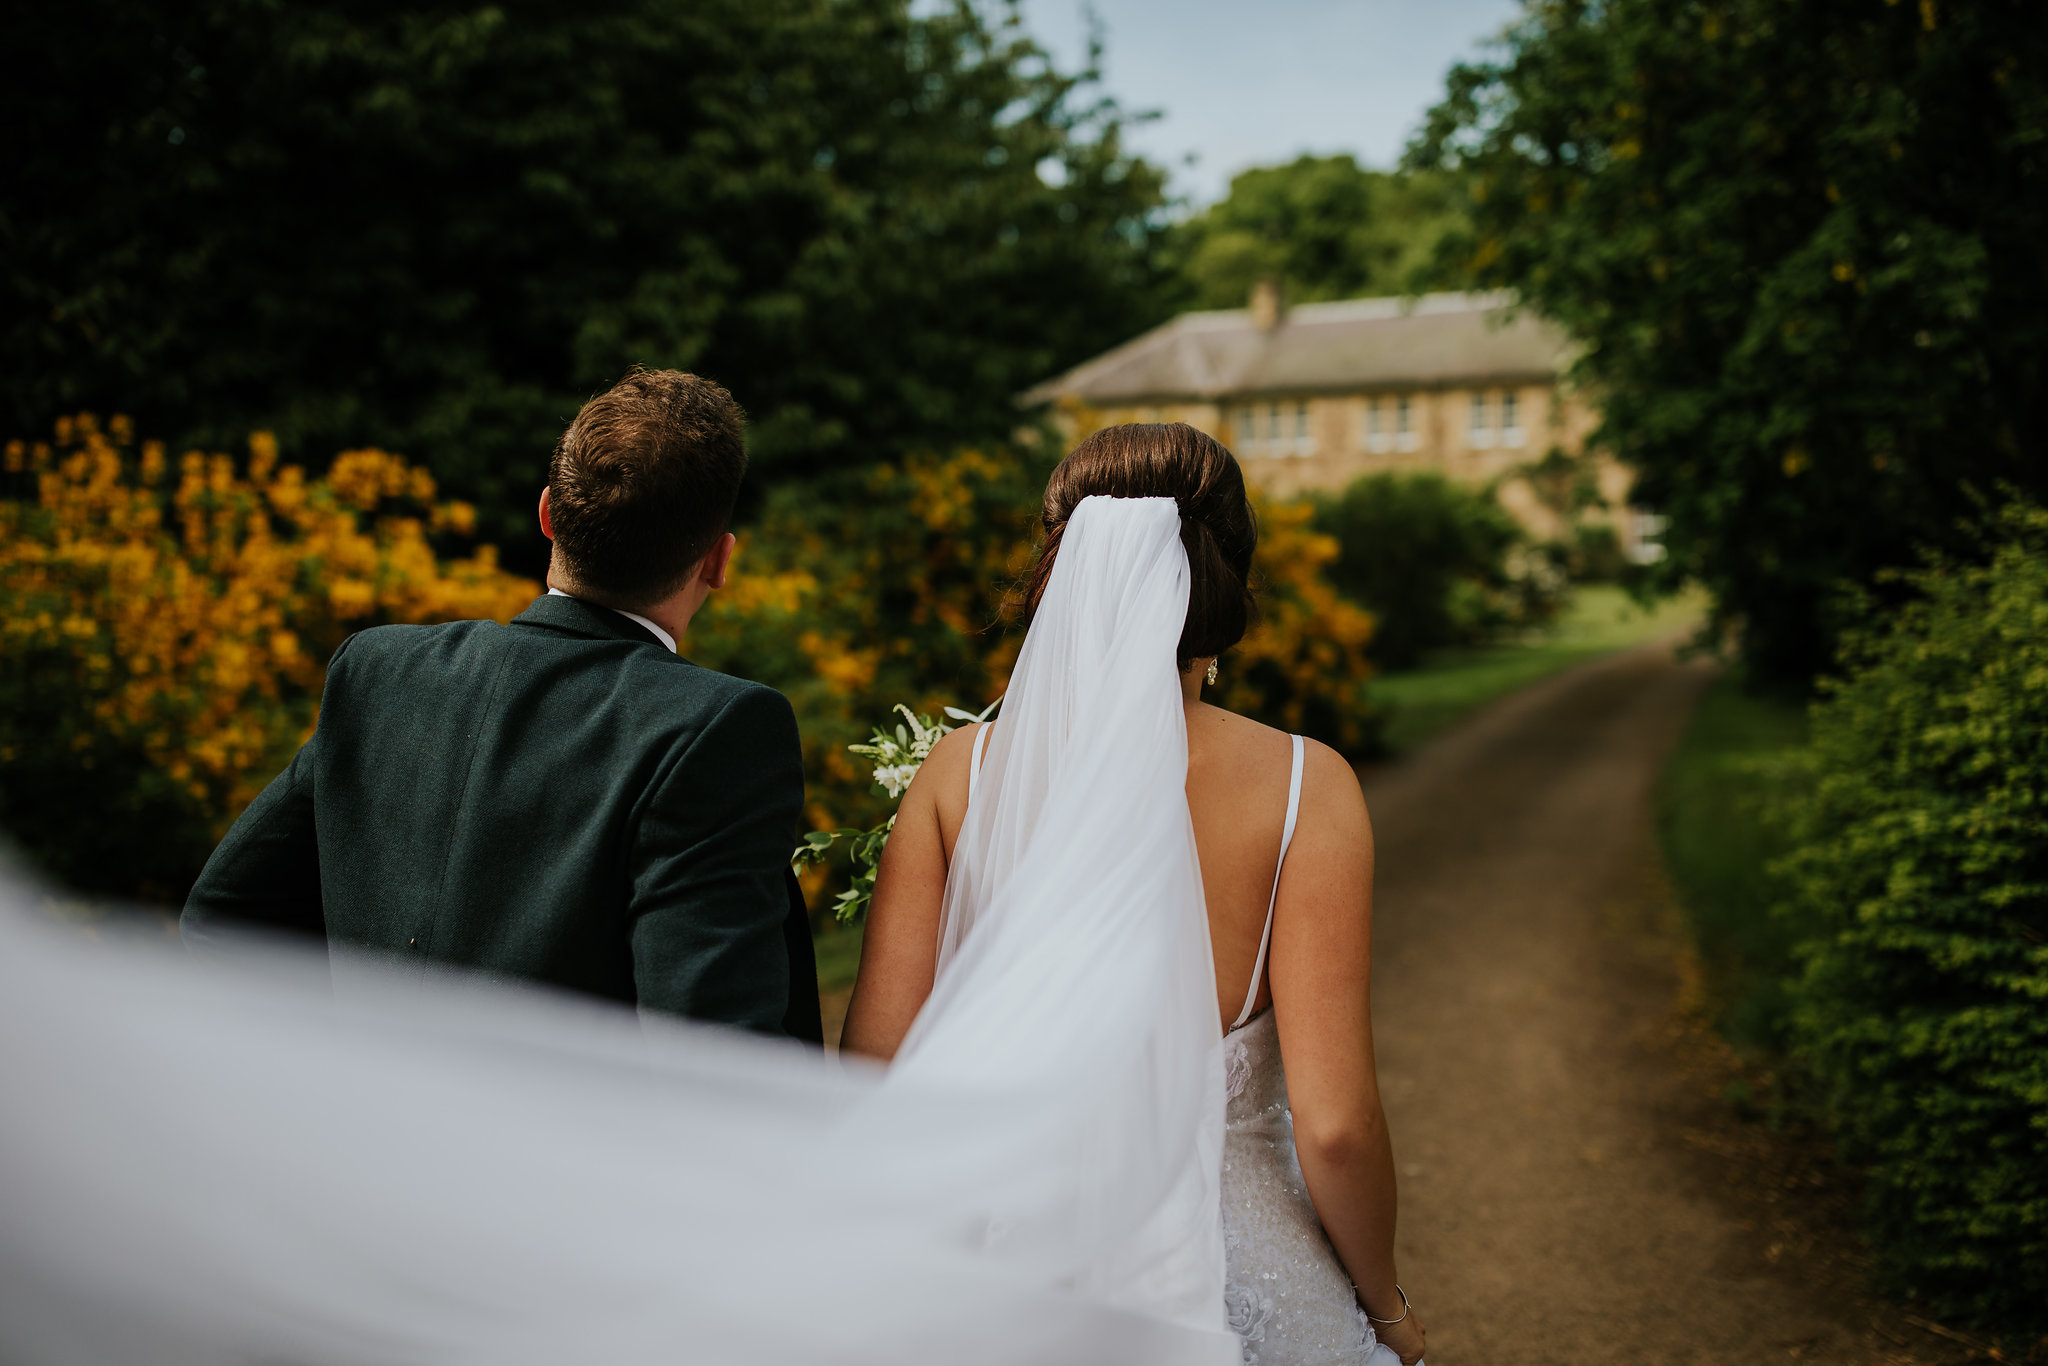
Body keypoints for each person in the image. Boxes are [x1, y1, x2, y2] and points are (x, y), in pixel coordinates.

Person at [844, 423, 1426, 1365]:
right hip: (1243, 1287)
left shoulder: (959, 775)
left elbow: (878, 1075)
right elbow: (1336, 1129)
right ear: (1226, 576)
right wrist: (1387, 1308)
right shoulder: (1305, 786)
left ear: (1061, 575)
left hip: (1002, 1285)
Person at [180, 368, 822, 1041]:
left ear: (547, 514)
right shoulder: (714, 730)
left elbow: (222, 921)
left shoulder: (377, 672)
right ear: (719, 562)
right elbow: (712, 1055)